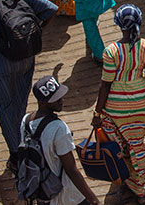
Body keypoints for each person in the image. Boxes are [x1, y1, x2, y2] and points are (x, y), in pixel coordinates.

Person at [0, 0, 57, 172]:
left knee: (4, 108)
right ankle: (24, 138)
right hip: (27, 57)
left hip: (1, 64)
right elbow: (51, 9)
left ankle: (17, 155)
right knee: (20, 101)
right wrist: (36, 32)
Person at [93, 5, 145, 204]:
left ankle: (123, 181)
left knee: (118, 146)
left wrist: (97, 113)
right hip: (141, 103)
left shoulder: (111, 51)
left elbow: (105, 85)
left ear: (119, 25)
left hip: (114, 107)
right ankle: (138, 189)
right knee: (137, 144)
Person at [23, 75, 101, 205]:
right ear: (42, 103)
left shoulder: (25, 121)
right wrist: (93, 199)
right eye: (55, 99)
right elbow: (71, 170)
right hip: (65, 193)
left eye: (60, 96)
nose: (61, 100)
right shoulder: (58, 128)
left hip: (42, 190)